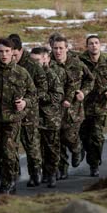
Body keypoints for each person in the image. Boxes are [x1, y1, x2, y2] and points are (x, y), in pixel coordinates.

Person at [0, 37, 34, 193]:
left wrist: (25, 102)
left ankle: (9, 181)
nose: (4, 54)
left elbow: (33, 94)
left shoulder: (21, 73)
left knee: (8, 151)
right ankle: (5, 177)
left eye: (7, 51)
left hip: (12, 119)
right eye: (1, 51)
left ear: (13, 52)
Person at [49, 34, 93, 180]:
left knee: (70, 137)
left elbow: (90, 80)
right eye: (55, 48)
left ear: (67, 48)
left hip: (73, 111)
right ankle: (62, 169)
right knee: (57, 141)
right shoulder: (48, 63)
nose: (58, 51)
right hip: (54, 111)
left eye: (61, 48)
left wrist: (83, 92)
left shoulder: (77, 63)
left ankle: (77, 149)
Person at [79, 34, 107, 177]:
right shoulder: (79, 62)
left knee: (97, 137)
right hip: (82, 107)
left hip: (100, 107)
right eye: (91, 43)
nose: (94, 45)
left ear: (100, 45)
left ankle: (94, 164)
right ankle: (84, 151)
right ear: (87, 46)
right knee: (83, 136)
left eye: (96, 43)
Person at [13, 34, 48, 186]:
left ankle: (35, 173)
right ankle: (12, 175)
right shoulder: (5, 65)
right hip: (10, 113)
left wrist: (27, 101)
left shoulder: (32, 66)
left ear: (21, 50)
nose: (11, 57)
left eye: (14, 54)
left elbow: (42, 89)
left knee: (31, 145)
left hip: (29, 113)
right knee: (9, 146)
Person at [30, 47, 65, 188]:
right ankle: (36, 174)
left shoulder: (51, 75)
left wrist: (39, 96)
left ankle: (51, 173)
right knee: (35, 148)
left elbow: (58, 95)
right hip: (32, 117)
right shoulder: (28, 75)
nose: (35, 63)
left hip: (50, 117)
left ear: (45, 59)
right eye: (32, 60)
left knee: (51, 148)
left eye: (37, 60)